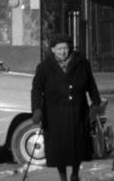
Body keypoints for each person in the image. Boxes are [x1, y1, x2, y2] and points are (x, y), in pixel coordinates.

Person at [29, 34, 103, 181]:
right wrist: (37, 109)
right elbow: (36, 90)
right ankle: (62, 176)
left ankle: (75, 174)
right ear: (52, 50)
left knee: (78, 146)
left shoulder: (82, 64)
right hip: (54, 114)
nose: (63, 52)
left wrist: (95, 104)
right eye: (59, 49)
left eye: (65, 48)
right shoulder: (44, 67)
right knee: (58, 149)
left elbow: (91, 86)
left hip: (78, 112)